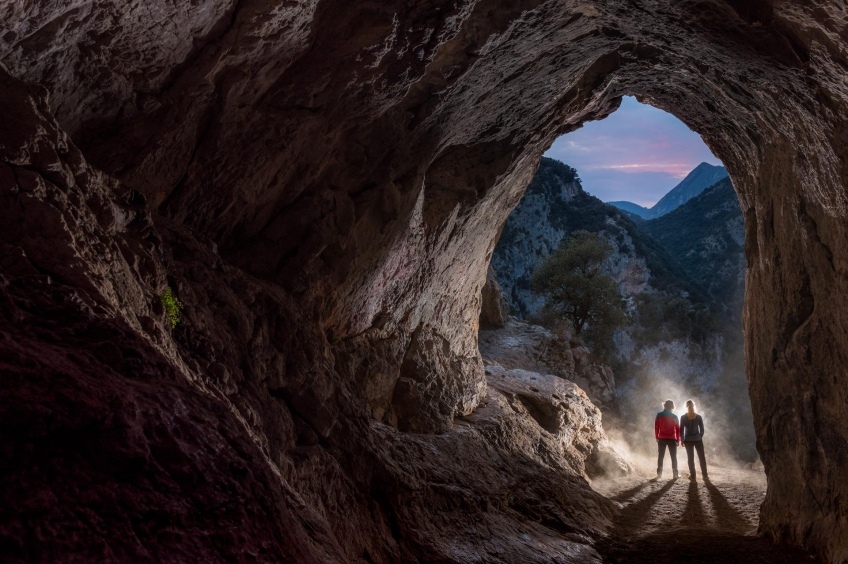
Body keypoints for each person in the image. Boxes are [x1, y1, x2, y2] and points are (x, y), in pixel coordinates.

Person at [681, 399, 708, 481]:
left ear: (686, 407)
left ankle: (693, 476)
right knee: (702, 457)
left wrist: (682, 440)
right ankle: (705, 476)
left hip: (688, 440)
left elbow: (681, 430)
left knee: (690, 458)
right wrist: (699, 436)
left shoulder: (683, 417)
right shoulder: (699, 417)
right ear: (693, 406)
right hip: (698, 439)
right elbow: (702, 429)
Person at [654, 399, 680, 480]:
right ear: (672, 407)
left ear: (664, 405)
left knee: (661, 456)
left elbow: (656, 427)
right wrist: (678, 440)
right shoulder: (675, 416)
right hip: (672, 439)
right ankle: (675, 474)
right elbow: (678, 429)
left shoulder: (659, 415)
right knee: (673, 457)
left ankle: (659, 474)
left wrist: (657, 437)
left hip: (661, 438)